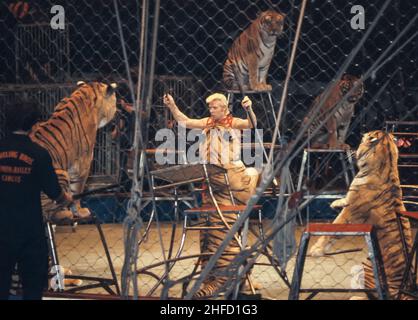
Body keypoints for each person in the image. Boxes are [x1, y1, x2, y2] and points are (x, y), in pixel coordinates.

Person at [163, 92, 259, 297]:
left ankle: (228, 274)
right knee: (216, 226)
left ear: (224, 108)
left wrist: (249, 108)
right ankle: (219, 274)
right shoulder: (207, 122)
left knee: (252, 173)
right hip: (212, 178)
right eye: (210, 108)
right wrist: (172, 106)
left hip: (229, 174)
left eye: (215, 108)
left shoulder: (233, 122)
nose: (212, 111)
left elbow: (251, 124)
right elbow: (185, 121)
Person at [0, 101, 72, 300]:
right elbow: (54, 192)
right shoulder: (39, 154)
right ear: (34, 125)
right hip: (29, 232)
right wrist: (66, 199)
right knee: (32, 286)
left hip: (1, 229)